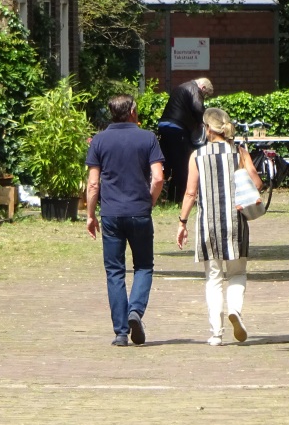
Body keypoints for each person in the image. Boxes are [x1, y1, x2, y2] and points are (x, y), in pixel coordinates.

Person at [176, 107, 262, 346]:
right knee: (237, 272)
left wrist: (182, 222)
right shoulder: (239, 152)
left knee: (213, 278)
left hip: (208, 224)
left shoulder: (197, 156)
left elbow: (191, 192)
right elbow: (256, 181)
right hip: (236, 222)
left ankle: (216, 333)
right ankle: (235, 310)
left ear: (207, 129)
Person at [85, 94, 165, 347]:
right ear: (131, 111)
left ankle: (120, 332)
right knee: (143, 266)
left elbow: (93, 183)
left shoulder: (99, 140)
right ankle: (135, 311)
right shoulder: (147, 138)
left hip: (110, 214)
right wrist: (149, 201)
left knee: (114, 272)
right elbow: (158, 178)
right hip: (139, 211)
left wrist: (89, 215)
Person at [157, 77, 214, 204]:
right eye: (205, 95)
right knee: (182, 164)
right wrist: (205, 122)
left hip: (164, 125)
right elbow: (198, 107)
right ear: (203, 88)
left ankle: (166, 197)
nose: (203, 96)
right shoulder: (194, 89)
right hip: (178, 128)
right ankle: (178, 199)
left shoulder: (182, 86)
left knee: (168, 163)